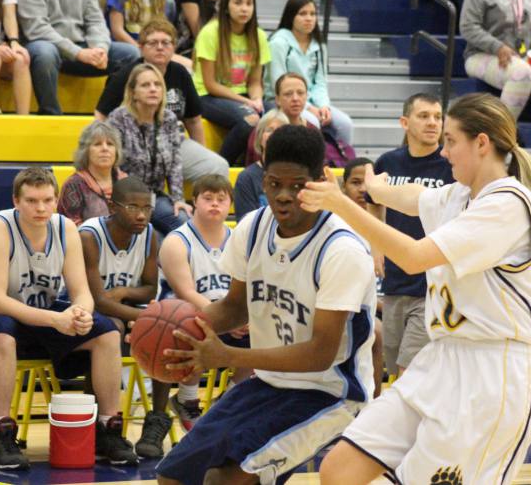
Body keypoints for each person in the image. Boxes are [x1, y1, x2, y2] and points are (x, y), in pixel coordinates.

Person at [299, 92, 531, 484]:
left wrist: (343, 205)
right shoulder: (462, 194)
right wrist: (376, 190)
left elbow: (414, 257)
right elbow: (416, 197)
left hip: (492, 372)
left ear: (482, 143)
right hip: (441, 359)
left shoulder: (508, 204)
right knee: (338, 470)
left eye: (450, 141)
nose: (444, 152)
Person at [152, 125, 375, 484]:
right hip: (269, 382)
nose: (283, 195)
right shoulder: (253, 228)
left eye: (297, 185)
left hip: (329, 393)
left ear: (321, 180)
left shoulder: (342, 250)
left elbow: (320, 353)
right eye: (274, 184)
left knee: (225, 481)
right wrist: (178, 334)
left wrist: (227, 356)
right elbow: (235, 307)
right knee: (172, 477)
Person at [0, 167, 137, 469]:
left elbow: (83, 292)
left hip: (36, 316)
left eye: (47, 200)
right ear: (16, 200)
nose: (40, 208)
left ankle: (108, 429)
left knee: (106, 332)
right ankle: (1, 431)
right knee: (4, 330)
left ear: (55, 202)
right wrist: (54, 321)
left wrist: (81, 313)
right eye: (31, 201)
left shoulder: (65, 229)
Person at [156, 174, 251, 433]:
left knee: (267, 330)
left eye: (221, 199)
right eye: (207, 198)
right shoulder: (176, 241)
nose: (214, 205)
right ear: (194, 202)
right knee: (194, 322)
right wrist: (228, 318)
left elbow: (252, 290)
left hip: (229, 315)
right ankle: (187, 399)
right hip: (181, 318)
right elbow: (186, 292)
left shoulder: (240, 240)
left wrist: (246, 318)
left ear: (230, 204)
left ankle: (229, 398)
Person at [367, 93, 453, 377]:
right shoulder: (387, 162)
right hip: (395, 283)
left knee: (410, 371)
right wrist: (376, 248)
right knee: (395, 371)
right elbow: (374, 205)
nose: (433, 122)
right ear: (405, 122)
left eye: (438, 117)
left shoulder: (451, 165)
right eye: (424, 116)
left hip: (432, 285)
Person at [78, 175, 164, 459]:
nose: (141, 215)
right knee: (109, 327)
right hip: (81, 313)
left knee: (165, 334)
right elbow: (98, 300)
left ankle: (157, 421)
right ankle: (101, 425)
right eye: (132, 207)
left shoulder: (150, 235)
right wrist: (146, 318)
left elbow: (150, 288)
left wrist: (125, 291)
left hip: (125, 311)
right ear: (113, 207)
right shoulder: (89, 236)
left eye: (147, 208)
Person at [95, 20, 227, 181]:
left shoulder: (180, 74)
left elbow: (193, 121)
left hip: (172, 143)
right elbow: (101, 115)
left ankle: (204, 204)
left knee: (217, 166)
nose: (160, 47)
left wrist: (201, 151)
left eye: (166, 43)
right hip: (132, 146)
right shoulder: (125, 75)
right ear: (141, 48)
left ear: (174, 47)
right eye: (153, 43)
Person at [16, 0, 139, 115]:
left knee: (131, 54)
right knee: (44, 52)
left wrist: (100, 48)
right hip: (49, 48)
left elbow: (96, 20)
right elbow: (37, 29)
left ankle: (108, 113)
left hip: (82, 47)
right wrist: (78, 53)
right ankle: (51, 115)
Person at [192, 0, 270, 165]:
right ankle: (218, 167)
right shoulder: (210, 33)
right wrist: (247, 102)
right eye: (238, 3)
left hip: (243, 96)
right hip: (206, 95)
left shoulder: (259, 36)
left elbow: (254, 82)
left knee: (277, 116)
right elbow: (210, 84)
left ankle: (261, 168)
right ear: (226, 6)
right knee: (248, 120)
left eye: (249, 3)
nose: (244, 8)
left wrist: (257, 99)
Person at [107, 62, 190, 235]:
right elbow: (110, 165)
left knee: (185, 224)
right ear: (133, 92)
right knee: (153, 238)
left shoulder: (169, 119)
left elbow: (175, 163)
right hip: (125, 199)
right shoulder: (118, 118)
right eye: (145, 85)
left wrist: (178, 199)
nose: (153, 89)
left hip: (155, 197)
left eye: (157, 84)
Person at [265, 0, 354, 145]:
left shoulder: (319, 46)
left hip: (311, 100)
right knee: (312, 122)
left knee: (345, 124)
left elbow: (320, 82)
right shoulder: (278, 43)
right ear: (291, 16)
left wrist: (323, 106)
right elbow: (277, 82)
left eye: (312, 14)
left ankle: (342, 162)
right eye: (303, 14)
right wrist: (308, 107)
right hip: (280, 100)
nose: (309, 18)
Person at [342, 156, 385, 397]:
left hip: (396, 300)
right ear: (343, 188)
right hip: (356, 304)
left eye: (367, 183)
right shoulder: (336, 226)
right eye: (355, 183)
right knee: (376, 331)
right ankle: (374, 404)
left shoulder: (391, 222)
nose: (362, 189)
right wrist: (380, 303)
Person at [58, 121, 128, 226]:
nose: (105, 148)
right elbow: (72, 229)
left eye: (110, 144)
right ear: (85, 151)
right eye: (97, 144)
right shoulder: (74, 185)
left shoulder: (126, 182)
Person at [246, 72, 314, 165]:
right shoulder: (264, 130)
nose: (295, 98)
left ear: (306, 96)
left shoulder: (313, 131)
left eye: (300, 93)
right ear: (277, 99)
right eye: (288, 94)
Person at [234, 109, 288, 220]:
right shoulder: (246, 178)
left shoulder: (297, 176)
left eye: (280, 131)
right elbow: (245, 226)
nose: (274, 135)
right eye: (269, 130)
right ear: (259, 136)